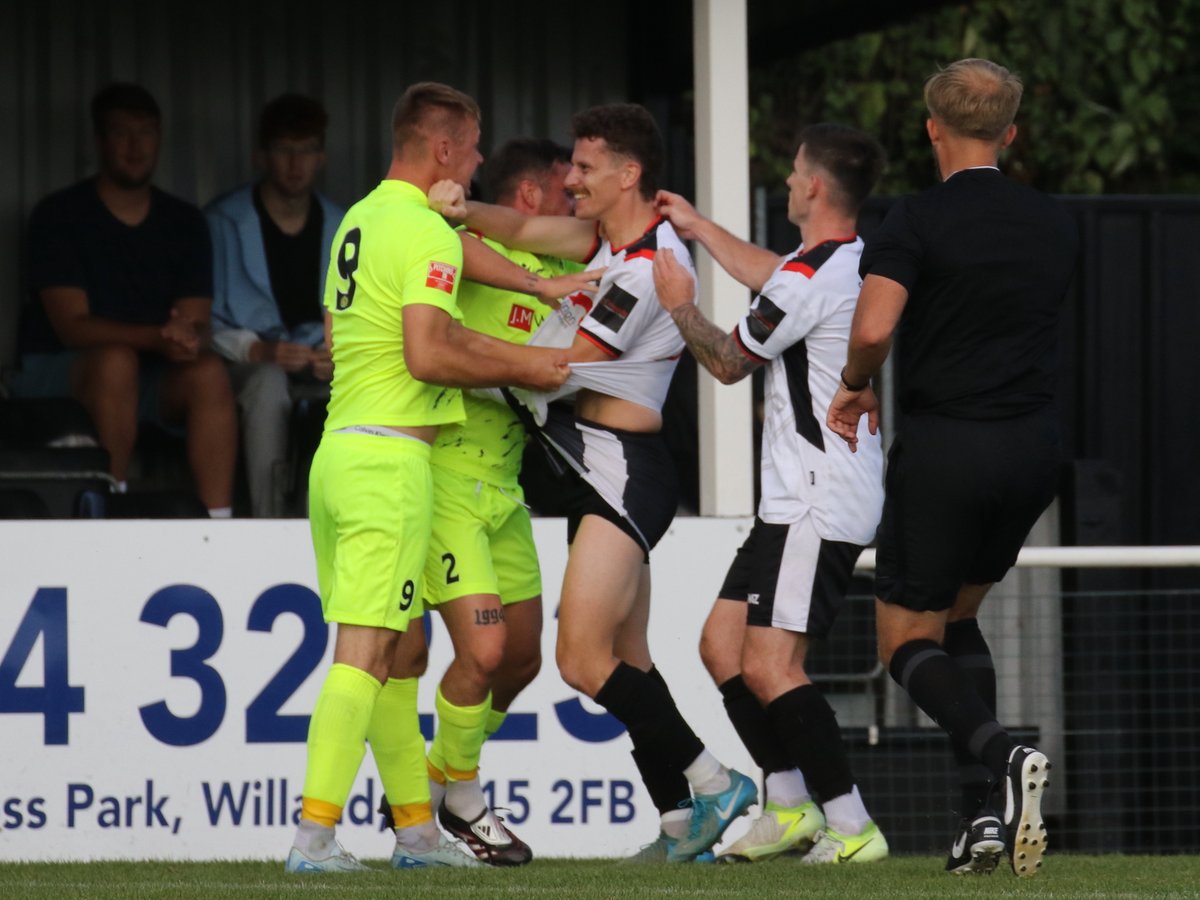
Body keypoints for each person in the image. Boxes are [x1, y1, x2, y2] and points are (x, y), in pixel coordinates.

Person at [434, 103, 757, 863]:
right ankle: (682, 827)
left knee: (582, 660)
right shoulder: (606, 242)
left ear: (627, 174)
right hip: (598, 469)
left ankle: (716, 783)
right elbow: (514, 229)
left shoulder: (648, 266)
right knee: (631, 659)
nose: (568, 181)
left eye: (582, 168)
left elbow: (559, 364)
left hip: (623, 472)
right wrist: (452, 203)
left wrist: (449, 352)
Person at [285, 81, 572, 874]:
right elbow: (429, 351)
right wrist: (531, 365)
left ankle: (416, 833)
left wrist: (536, 296)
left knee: (386, 657)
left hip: (339, 450)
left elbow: (362, 343)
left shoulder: (358, 219)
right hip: (389, 459)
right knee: (362, 653)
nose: (476, 164)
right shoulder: (424, 232)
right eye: (474, 148)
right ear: (443, 148)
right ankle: (313, 840)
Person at [826, 58, 1077, 877]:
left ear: (932, 127)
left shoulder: (915, 218)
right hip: (1035, 447)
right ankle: (982, 822)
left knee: (902, 639)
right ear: (1011, 131)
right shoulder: (1050, 219)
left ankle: (1003, 756)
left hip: (947, 446)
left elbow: (873, 327)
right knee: (958, 619)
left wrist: (858, 385)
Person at [651, 123, 890, 865]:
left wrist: (678, 301)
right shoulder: (837, 260)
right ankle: (786, 804)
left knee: (771, 666)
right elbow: (774, 276)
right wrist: (697, 225)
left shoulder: (808, 278)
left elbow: (727, 361)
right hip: (798, 498)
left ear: (814, 185)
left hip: (817, 496)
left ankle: (852, 826)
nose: (787, 181)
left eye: (792, 172)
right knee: (722, 647)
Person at [417, 138, 582, 866]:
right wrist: (519, 368)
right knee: (481, 650)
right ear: (528, 198)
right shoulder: (461, 251)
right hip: (447, 474)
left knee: (519, 662)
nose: (576, 198)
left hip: (507, 487)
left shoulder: (576, 267)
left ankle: (436, 776)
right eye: (563, 188)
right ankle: (460, 798)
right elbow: (430, 338)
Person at [15, 82, 237, 516]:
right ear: (99, 141)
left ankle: (218, 525)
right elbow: (71, 326)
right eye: (121, 133)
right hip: (57, 371)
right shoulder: (59, 215)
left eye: (147, 132)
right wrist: (158, 337)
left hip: (149, 374)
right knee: (116, 361)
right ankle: (107, 513)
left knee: (208, 372)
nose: (136, 146)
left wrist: (184, 339)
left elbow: (192, 323)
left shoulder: (184, 220)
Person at [205, 94, 345, 517]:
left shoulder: (342, 224)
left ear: (320, 156)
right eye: (285, 149)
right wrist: (257, 350)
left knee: (353, 386)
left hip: (318, 365)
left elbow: (361, 315)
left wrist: (338, 354)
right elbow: (200, 320)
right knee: (267, 383)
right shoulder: (223, 221)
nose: (295, 163)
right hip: (247, 366)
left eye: (306, 150)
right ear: (262, 155)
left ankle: (327, 520)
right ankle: (270, 523)